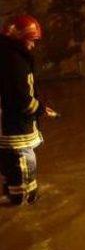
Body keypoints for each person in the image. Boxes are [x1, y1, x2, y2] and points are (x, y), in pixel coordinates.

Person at [0, 15, 57, 205]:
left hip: (5, 125)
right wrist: (39, 109)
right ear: (20, 39)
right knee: (22, 163)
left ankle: (13, 197)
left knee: (10, 168)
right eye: (31, 41)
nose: (33, 46)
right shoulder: (14, 61)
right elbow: (20, 98)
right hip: (14, 127)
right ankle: (24, 203)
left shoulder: (5, 55)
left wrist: (40, 108)